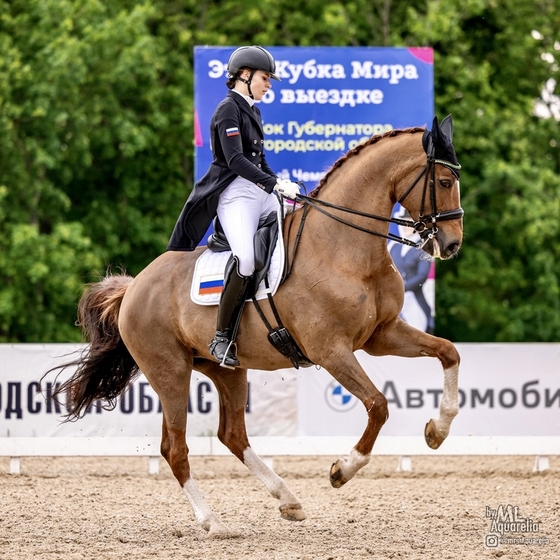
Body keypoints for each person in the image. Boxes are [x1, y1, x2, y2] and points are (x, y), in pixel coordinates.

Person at [167, 45, 300, 368]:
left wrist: (280, 183)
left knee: (300, 224)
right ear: (245, 75)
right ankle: (222, 336)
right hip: (235, 195)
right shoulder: (228, 109)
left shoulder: (253, 110)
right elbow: (236, 160)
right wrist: (271, 184)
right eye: (265, 78)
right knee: (246, 260)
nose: (269, 85)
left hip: (258, 190)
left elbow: (260, 159)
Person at [389, 207, 435, 334]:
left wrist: (401, 288)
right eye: (403, 223)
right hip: (394, 298)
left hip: (413, 298)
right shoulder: (394, 247)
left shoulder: (424, 248)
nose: (405, 226)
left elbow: (422, 276)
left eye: (409, 224)